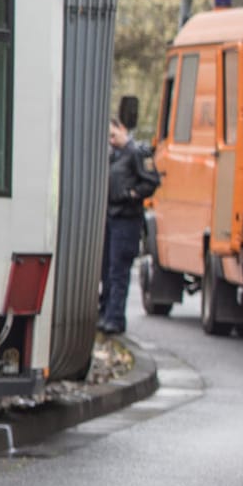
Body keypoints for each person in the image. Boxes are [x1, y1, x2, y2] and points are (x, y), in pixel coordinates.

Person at [100, 117, 160, 335]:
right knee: (106, 269)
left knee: (118, 270)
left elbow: (151, 182)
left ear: (122, 128)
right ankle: (106, 312)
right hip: (111, 217)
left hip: (126, 219)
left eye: (113, 135)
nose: (111, 140)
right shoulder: (113, 155)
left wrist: (132, 194)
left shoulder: (138, 153)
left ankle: (115, 318)